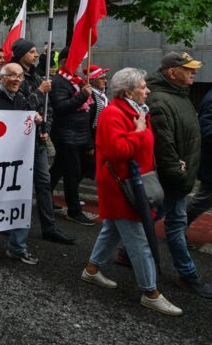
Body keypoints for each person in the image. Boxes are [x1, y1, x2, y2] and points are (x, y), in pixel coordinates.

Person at [81, 68, 182, 316]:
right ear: (128, 91)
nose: (147, 90)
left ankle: (91, 271)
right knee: (140, 240)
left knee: (113, 230)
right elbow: (119, 151)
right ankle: (150, 293)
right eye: (143, 86)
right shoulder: (113, 114)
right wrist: (137, 132)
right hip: (121, 186)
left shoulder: (139, 112)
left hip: (135, 182)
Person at [146, 51, 212, 298]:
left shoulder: (178, 95)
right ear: (172, 72)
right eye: (188, 68)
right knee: (175, 224)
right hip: (173, 175)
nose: (194, 72)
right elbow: (164, 144)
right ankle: (188, 275)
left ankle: (124, 250)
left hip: (179, 173)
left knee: (156, 214)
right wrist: (179, 174)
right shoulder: (161, 100)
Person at [0, 63, 41, 265]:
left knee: (20, 200)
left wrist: (35, 119)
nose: (17, 80)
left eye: (20, 76)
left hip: (15, 163)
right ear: (1, 78)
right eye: (12, 75)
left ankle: (17, 247)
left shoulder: (21, 99)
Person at [11, 39, 75, 245]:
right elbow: (19, 106)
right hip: (16, 143)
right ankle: (9, 223)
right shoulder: (13, 76)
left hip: (36, 139)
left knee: (44, 182)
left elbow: (47, 109)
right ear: (21, 54)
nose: (36, 54)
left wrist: (45, 129)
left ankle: (49, 227)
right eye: (31, 51)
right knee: (16, 185)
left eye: (36, 51)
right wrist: (39, 91)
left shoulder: (37, 76)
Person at [49, 47, 95, 226]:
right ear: (64, 62)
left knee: (58, 169)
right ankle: (74, 210)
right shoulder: (59, 82)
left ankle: (45, 195)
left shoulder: (77, 81)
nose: (81, 64)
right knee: (72, 173)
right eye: (77, 61)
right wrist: (82, 96)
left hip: (79, 134)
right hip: (66, 135)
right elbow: (61, 106)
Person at [188, 87, 212, 227]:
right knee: (203, 200)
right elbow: (206, 130)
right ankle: (176, 226)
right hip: (210, 163)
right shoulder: (210, 100)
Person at [84, 64, 110, 180]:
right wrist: (89, 144)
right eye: (102, 78)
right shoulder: (90, 96)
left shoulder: (102, 95)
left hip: (102, 136)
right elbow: (86, 121)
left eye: (105, 78)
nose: (105, 81)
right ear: (93, 80)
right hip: (92, 135)